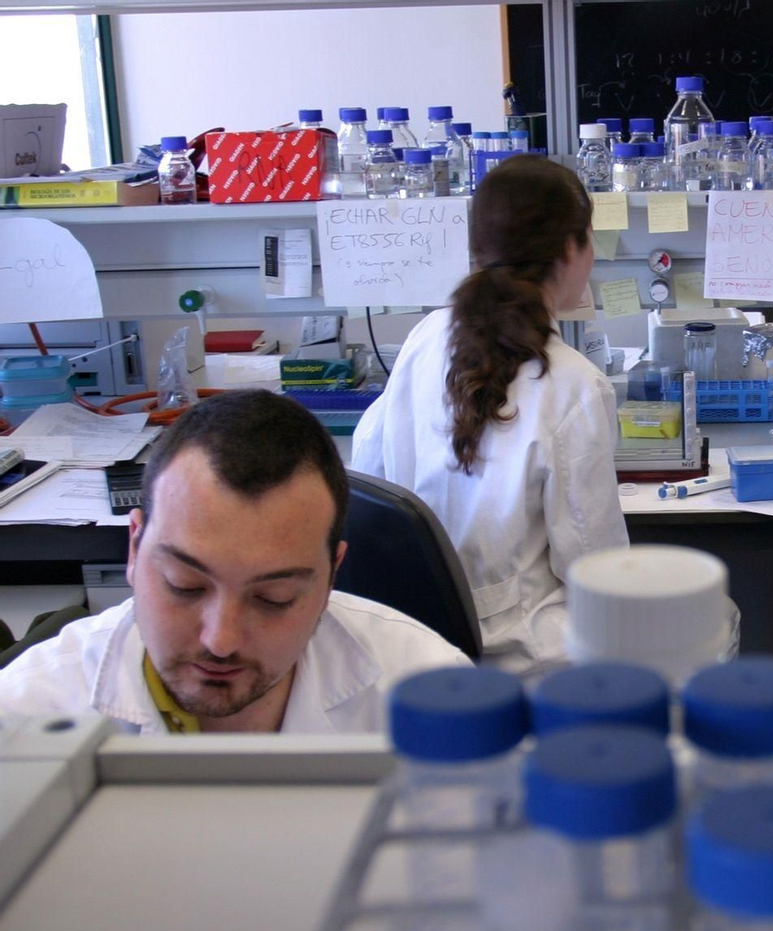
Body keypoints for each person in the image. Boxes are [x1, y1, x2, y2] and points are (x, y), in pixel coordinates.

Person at [0, 390, 470, 734]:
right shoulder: (24, 716)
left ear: (331, 576)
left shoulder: (431, 694)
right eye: (185, 585)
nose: (221, 641)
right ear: (135, 548)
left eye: (274, 598)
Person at [352, 154, 628, 681]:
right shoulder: (573, 384)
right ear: (572, 248)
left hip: (415, 646)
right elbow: (598, 572)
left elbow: (370, 469)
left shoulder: (425, 337)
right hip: (530, 664)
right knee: (711, 623)